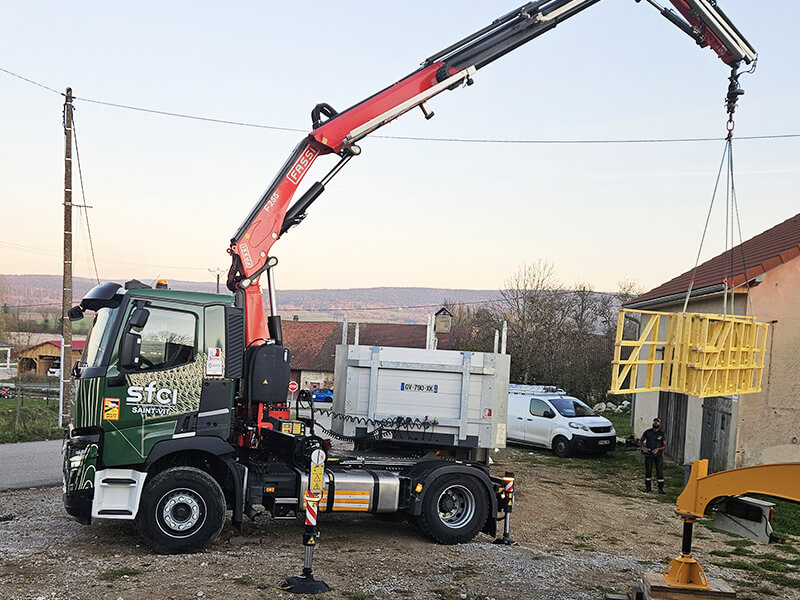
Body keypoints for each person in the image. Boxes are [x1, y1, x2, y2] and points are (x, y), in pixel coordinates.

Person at [640, 417, 667, 493]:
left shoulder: (662, 434)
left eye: (657, 422)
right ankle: (648, 487)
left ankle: (660, 489)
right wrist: (644, 448)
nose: (656, 423)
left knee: (659, 471)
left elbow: (664, 445)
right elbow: (641, 440)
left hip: (658, 455)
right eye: (655, 422)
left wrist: (658, 449)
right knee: (648, 471)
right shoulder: (647, 432)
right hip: (649, 454)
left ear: (660, 424)